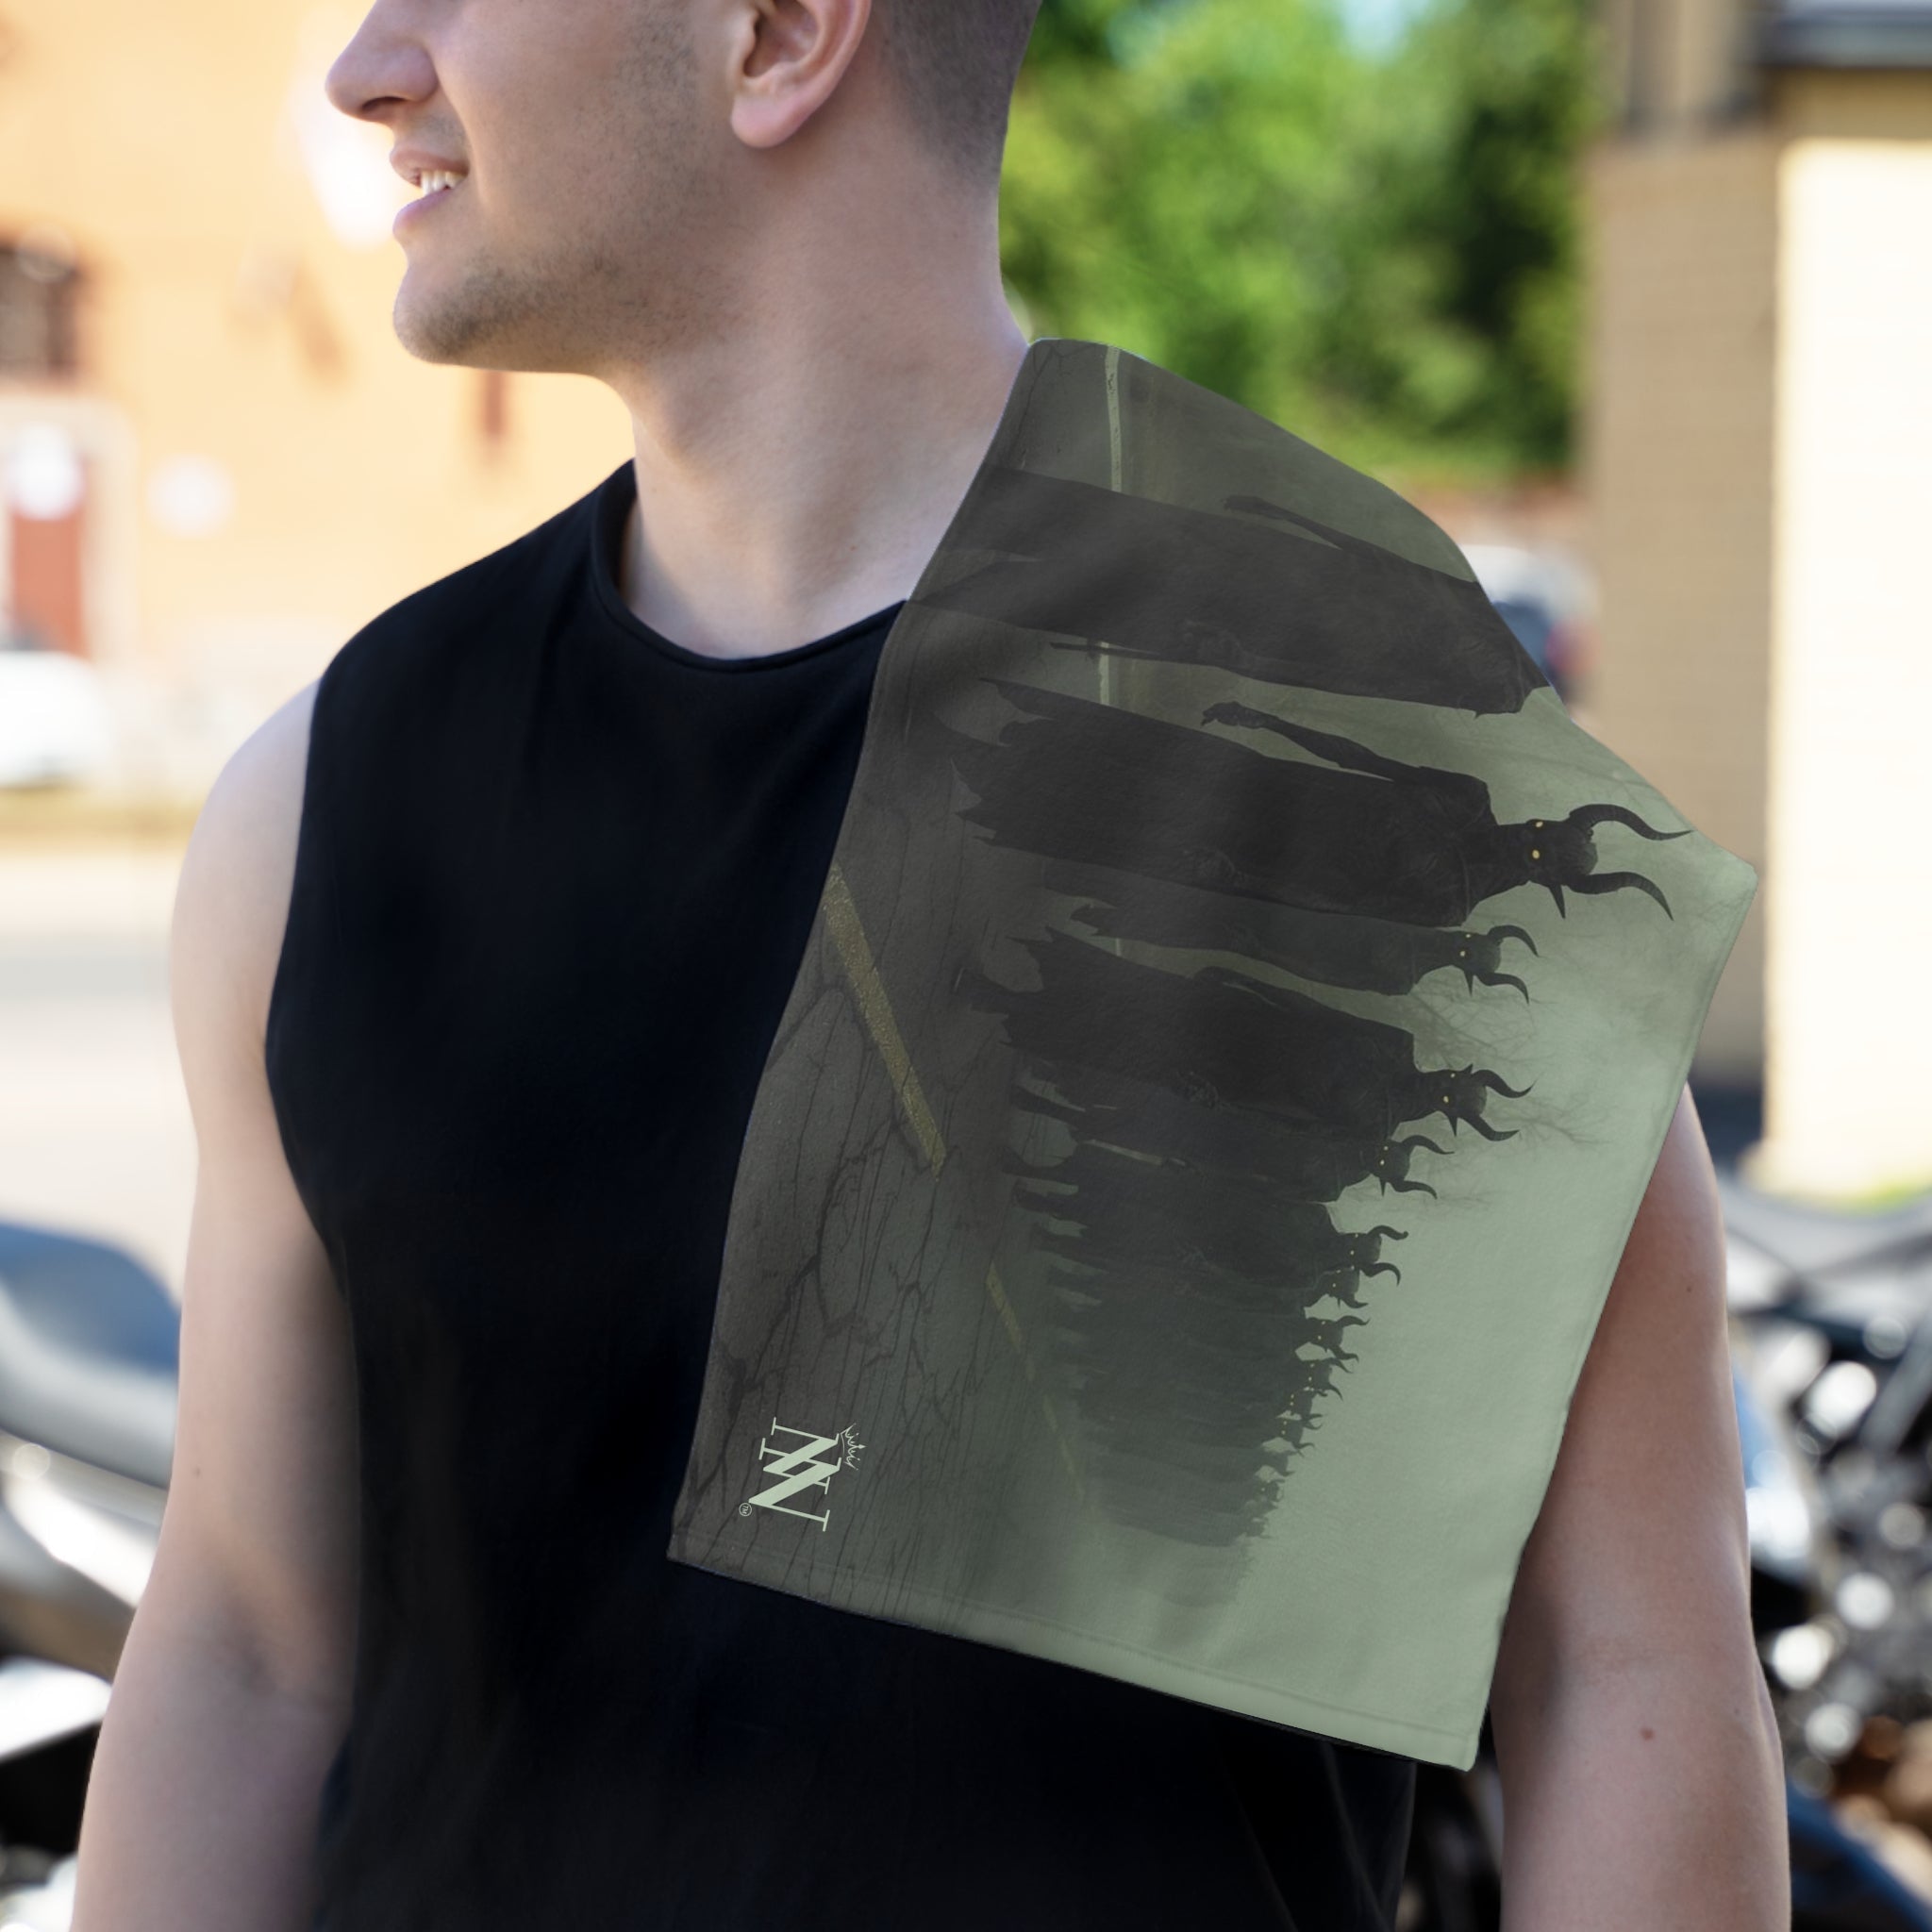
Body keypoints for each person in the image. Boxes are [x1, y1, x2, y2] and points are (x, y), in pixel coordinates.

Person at [69, 0, 1789, 1925]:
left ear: (780, 34)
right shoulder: (332, 800)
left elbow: (1619, 1674)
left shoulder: (1365, 756)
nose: (371, 65)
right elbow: (245, 1650)